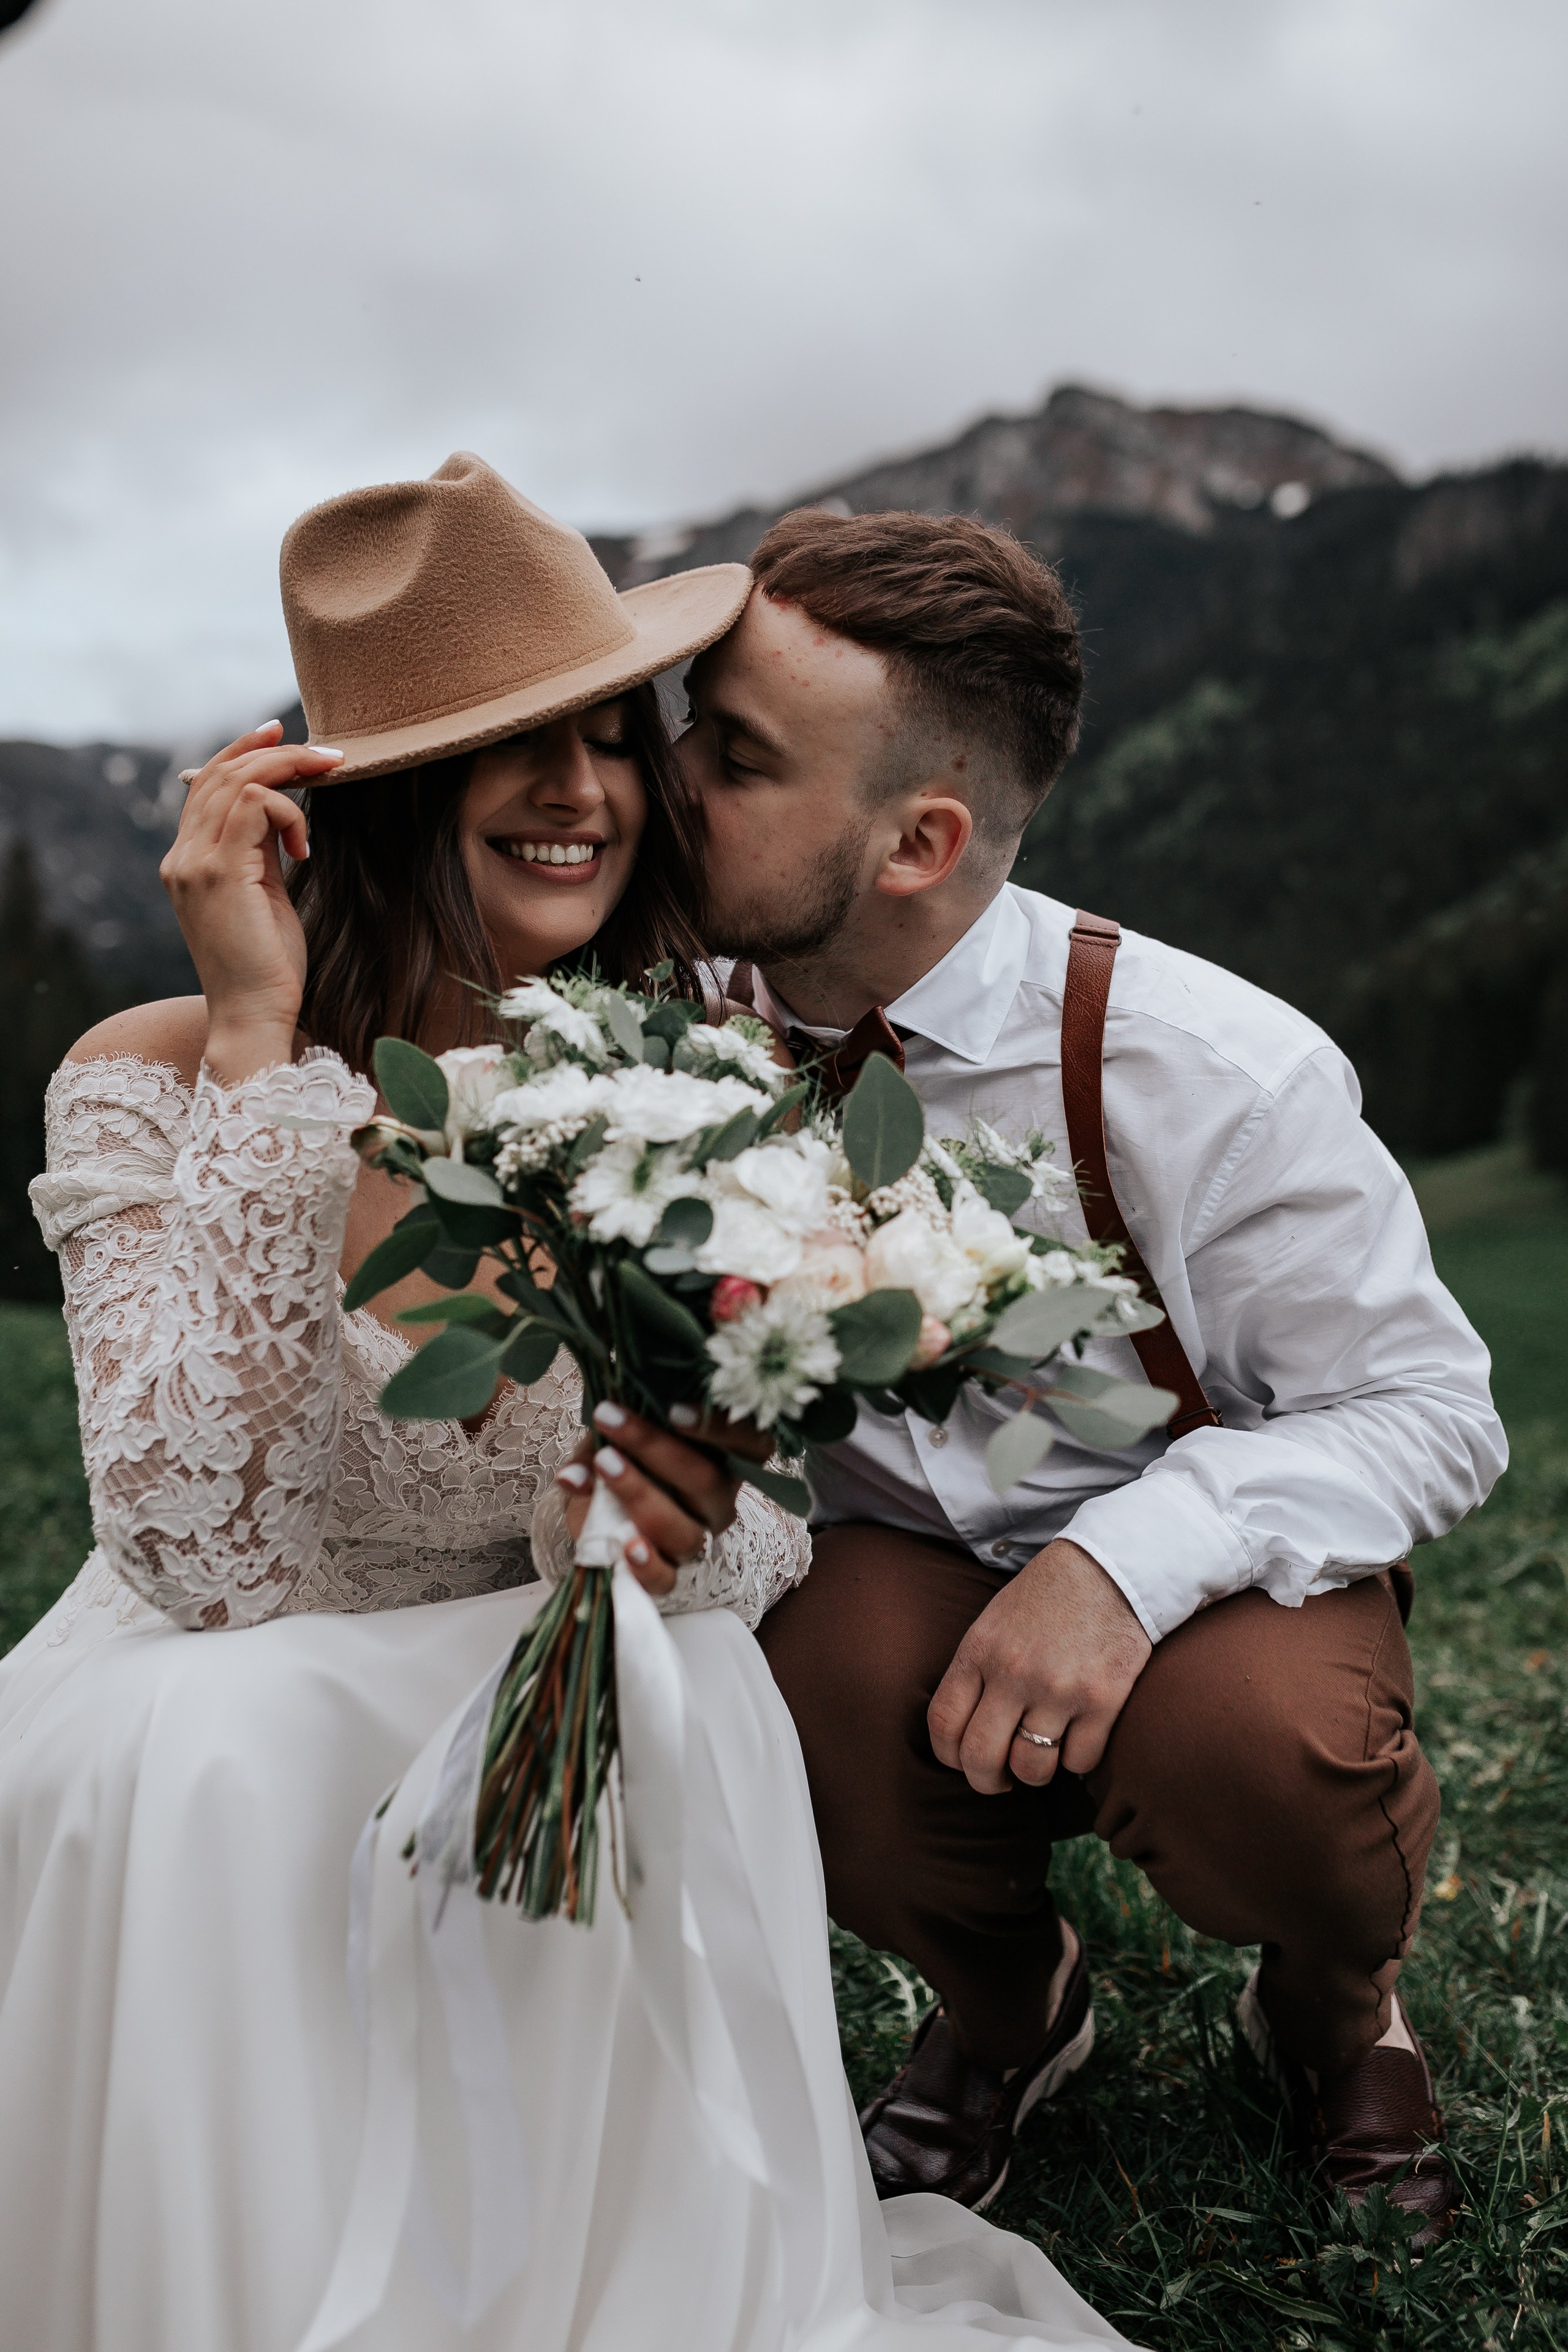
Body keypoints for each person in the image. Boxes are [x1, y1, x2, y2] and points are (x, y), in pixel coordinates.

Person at [0, 455, 1145, 2351]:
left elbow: (771, 1507)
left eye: (614, 734)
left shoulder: (691, 1071)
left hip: (560, 1650)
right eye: (499, 748)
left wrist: (640, 1512)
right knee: (212, 1750)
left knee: (693, 1686)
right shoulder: (148, 1070)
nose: (580, 792)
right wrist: (264, 1044)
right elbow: (197, 1547)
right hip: (237, 1660)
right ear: (363, 802)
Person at [679, 504, 1508, 2243]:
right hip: (883, 1556)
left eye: (737, 757)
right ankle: (1007, 2003)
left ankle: (1335, 2005)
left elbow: (1434, 1414)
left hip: (1204, 1581)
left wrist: (1127, 1562)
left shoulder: (1216, 1071)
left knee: (1273, 1759)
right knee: (769, 1693)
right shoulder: (667, 1014)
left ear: (920, 841)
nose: (673, 779)